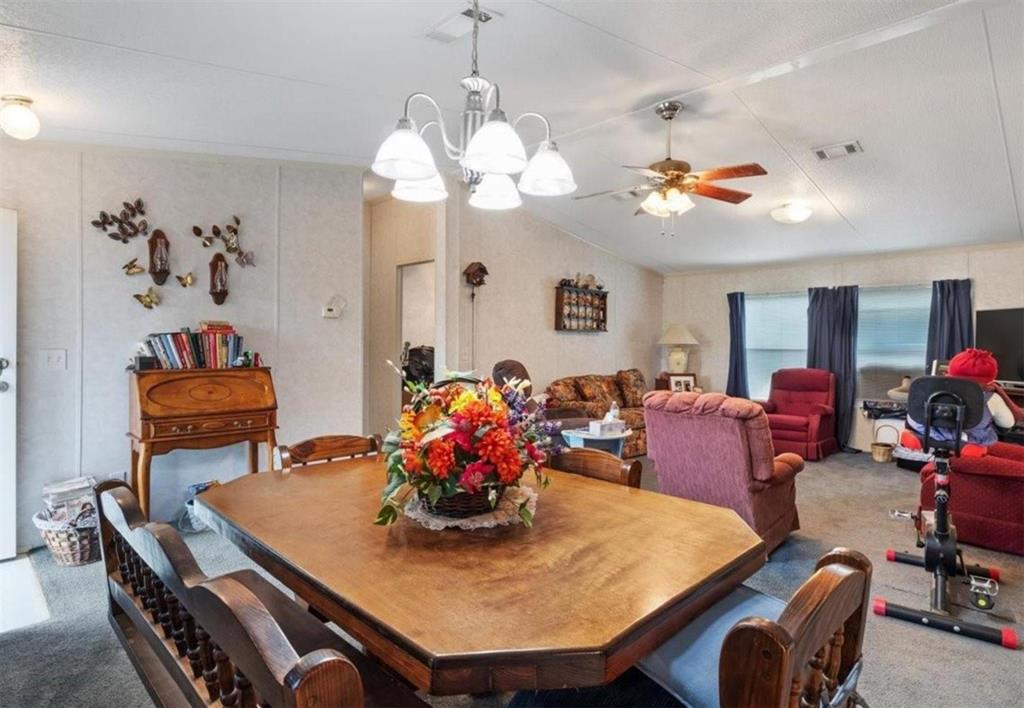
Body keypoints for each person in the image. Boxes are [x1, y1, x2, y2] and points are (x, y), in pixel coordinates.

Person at [901, 348, 1017, 457]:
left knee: (914, 423)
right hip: (965, 440)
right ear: (990, 378)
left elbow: (913, 412)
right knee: (986, 429)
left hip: (926, 434)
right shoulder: (991, 398)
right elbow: (1007, 424)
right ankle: (971, 446)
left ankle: (915, 436)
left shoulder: (928, 388)